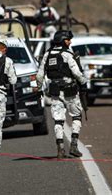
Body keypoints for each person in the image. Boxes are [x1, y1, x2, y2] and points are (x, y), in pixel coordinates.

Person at [36, 30, 87, 159]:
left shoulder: (47, 55)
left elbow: (40, 75)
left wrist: (39, 88)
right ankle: (74, 147)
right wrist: (84, 82)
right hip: (70, 91)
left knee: (58, 120)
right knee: (76, 116)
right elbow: (76, 73)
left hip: (55, 92)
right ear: (63, 41)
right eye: (68, 39)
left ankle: (60, 149)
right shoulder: (67, 54)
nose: (70, 42)